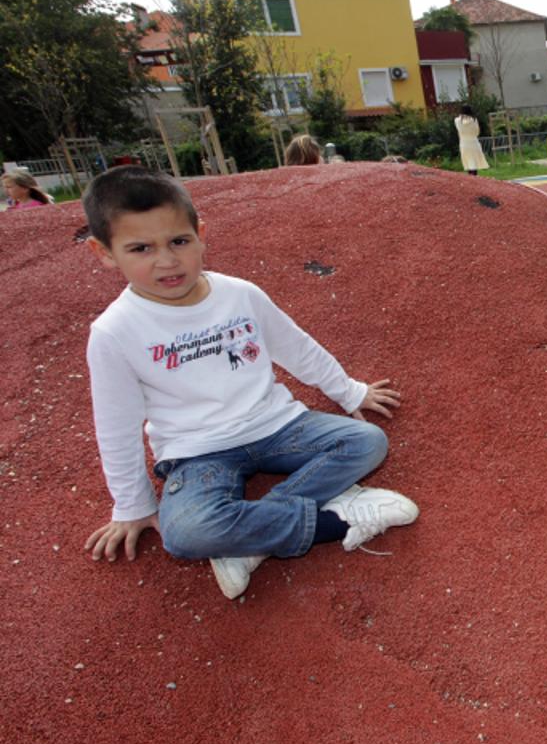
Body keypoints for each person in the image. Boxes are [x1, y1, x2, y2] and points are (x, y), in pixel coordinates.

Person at [80, 166, 419, 600]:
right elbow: (116, 426)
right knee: (183, 533)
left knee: (367, 442)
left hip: (278, 427)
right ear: (104, 252)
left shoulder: (240, 295)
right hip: (197, 453)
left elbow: (298, 348)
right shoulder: (114, 332)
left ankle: (249, 539)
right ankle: (339, 518)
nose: (166, 260)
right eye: (141, 248)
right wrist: (133, 505)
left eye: (179, 241)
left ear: (200, 234)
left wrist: (349, 391)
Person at [454, 105, 489, 176]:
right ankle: (474, 177)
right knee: (474, 162)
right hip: (473, 142)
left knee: (468, 162)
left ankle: (471, 178)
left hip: (463, 143)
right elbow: (477, 132)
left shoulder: (457, 120)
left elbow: (458, 132)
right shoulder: (474, 120)